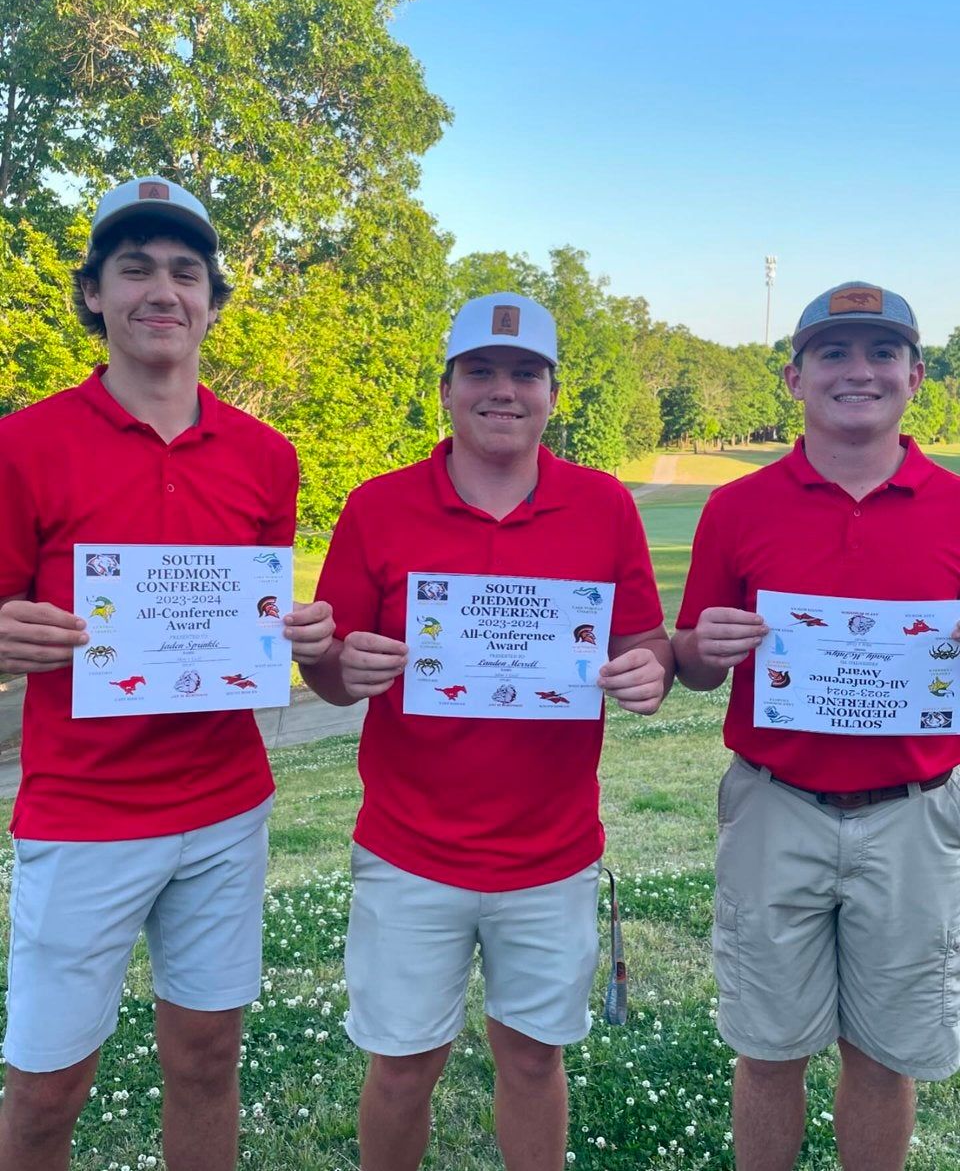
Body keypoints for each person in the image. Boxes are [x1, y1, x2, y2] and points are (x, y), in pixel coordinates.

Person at [0, 176, 334, 1171]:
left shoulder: (266, 457)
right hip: (84, 807)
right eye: (134, 267)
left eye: (186, 273)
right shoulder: (22, 442)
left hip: (225, 805)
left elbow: (257, 624)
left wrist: (299, 633)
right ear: (94, 292)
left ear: (212, 302)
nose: (162, 290)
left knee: (208, 1054)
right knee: (47, 1083)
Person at [299, 291, 673, 1171]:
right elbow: (329, 665)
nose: (502, 390)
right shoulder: (379, 506)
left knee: (535, 1058)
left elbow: (646, 640)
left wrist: (648, 670)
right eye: (481, 371)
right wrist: (337, 668)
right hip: (408, 847)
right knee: (401, 1067)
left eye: (524, 373)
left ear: (551, 393)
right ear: (447, 387)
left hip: (551, 850)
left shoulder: (604, 506)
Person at [672, 281, 960, 1171]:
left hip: (914, 811)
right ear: (794, 378)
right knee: (770, 1049)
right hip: (776, 805)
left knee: (884, 1051)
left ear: (917, 375)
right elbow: (687, 664)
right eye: (833, 353)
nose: (858, 371)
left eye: (881, 352)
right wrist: (703, 645)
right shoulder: (739, 507)